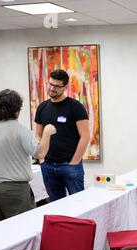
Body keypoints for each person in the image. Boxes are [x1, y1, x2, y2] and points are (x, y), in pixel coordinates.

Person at [0, 89, 56, 225]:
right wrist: (47, 132)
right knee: (22, 231)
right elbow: (40, 153)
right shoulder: (19, 129)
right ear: (15, 109)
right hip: (14, 191)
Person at [35, 69, 90, 202]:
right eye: (50, 84)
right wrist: (42, 160)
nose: (52, 88)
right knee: (56, 205)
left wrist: (74, 162)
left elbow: (85, 136)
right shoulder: (42, 107)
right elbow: (37, 135)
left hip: (69, 165)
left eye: (57, 86)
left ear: (65, 87)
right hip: (47, 165)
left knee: (78, 204)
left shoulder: (76, 107)